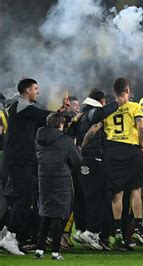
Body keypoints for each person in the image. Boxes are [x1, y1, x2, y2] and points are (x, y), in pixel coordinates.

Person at [0, 79, 55, 255]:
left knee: (17, 197)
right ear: (27, 90)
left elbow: (41, 118)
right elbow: (42, 116)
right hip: (18, 159)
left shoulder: (20, 106)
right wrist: (63, 116)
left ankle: (6, 232)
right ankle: (10, 237)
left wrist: (60, 112)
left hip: (18, 159)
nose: (37, 92)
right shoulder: (21, 105)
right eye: (35, 88)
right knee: (25, 197)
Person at [103, 78, 143, 249]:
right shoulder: (134, 106)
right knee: (136, 189)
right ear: (127, 90)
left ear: (114, 92)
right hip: (131, 149)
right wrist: (142, 146)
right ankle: (136, 227)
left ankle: (118, 231)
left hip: (112, 150)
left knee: (117, 192)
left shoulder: (108, 109)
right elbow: (142, 128)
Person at [75, 89, 119, 250]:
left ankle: (83, 230)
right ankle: (91, 231)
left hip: (84, 159)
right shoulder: (93, 112)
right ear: (101, 101)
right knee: (98, 197)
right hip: (93, 159)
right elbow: (98, 118)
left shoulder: (81, 113)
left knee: (86, 197)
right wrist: (118, 102)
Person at [33, 113, 81, 260]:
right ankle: (55, 252)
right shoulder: (65, 140)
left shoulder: (38, 140)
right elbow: (77, 161)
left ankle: (39, 250)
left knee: (46, 215)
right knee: (58, 216)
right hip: (61, 181)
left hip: (44, 180)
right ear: (60, 124)